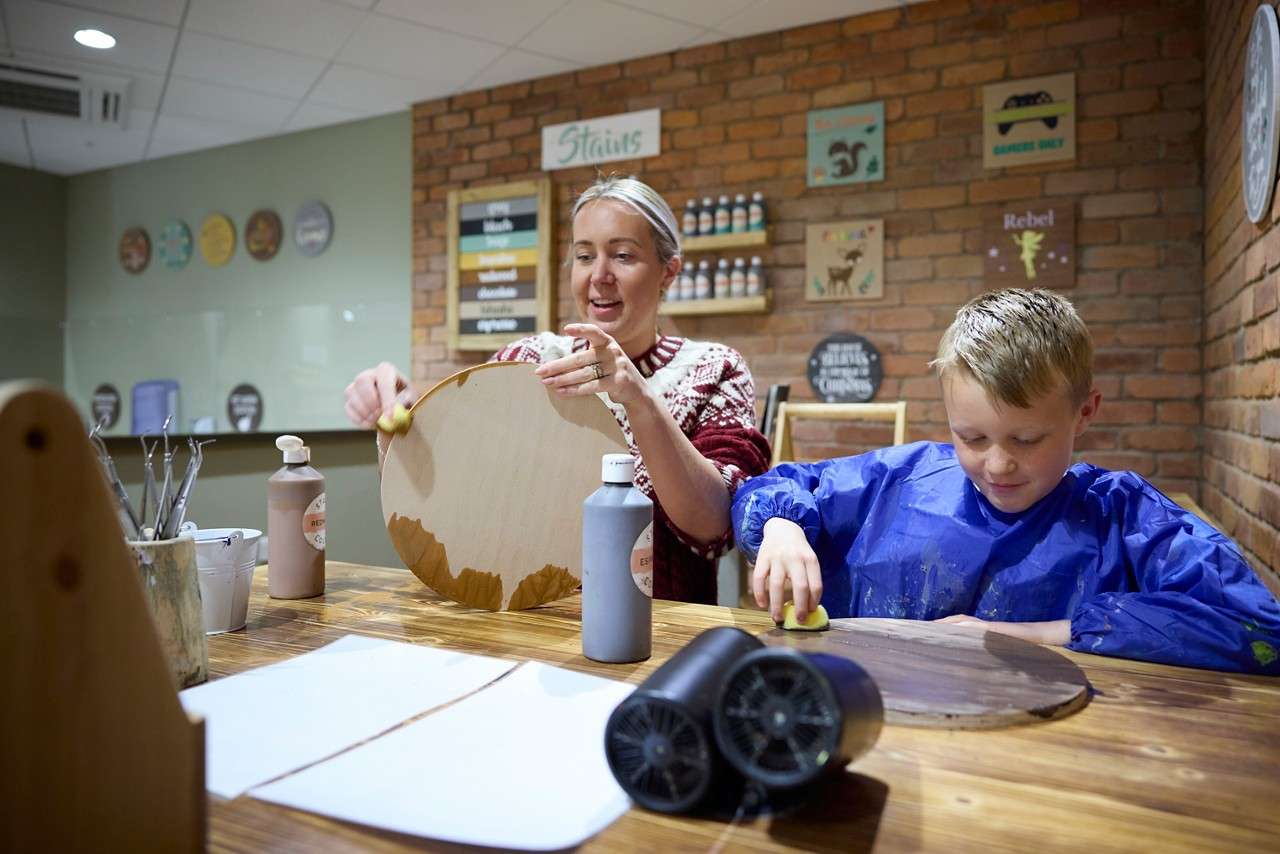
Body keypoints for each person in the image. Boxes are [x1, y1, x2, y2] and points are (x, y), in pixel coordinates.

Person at [732, 288, 1280, 674]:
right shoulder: (898, 480)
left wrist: (1035, 635)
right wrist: (781, 526)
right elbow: (774, 485)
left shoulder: (1125, 518)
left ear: (1084, 412)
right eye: (971, 438)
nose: (997, 465)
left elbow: (1259, 631)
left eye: (1026, 440)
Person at [345, 175, 771, 604]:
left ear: (668, 272)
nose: (599, 275)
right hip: (524, 620)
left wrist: (639, 399)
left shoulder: (714, 370)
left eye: (623, 255)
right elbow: (453, 498)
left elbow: (714, 527)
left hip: (655, 631)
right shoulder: (527, 360)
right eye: (584, 256)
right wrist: (399, 423)